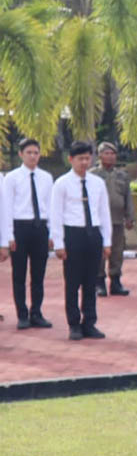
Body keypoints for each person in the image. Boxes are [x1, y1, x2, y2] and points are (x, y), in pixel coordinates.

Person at [50, 141, 111, 340]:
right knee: (73, 282)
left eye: (87, 158)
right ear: (71, 160)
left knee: (90, 281)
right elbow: (56, 214)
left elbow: (104, 212)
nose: (84, 162)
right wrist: (59, 243)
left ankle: (90, 322)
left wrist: (107, 241)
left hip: (93, 234)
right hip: (72, 234)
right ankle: (74, 324)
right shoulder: (62, 183)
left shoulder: (97, 183)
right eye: (80, 159)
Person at [3, 138, 54, 329]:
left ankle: (36, 312)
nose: (33, 156)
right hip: (20, 227)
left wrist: (52, 233)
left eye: (36, 152)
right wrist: (9, 235)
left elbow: (51, 206)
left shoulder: (46, 177)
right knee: (19, 274)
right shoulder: (12, 178)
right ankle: (22, 314)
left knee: (38, 274)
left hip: (40, 228)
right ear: (20, 154)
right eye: (29, 152)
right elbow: (6, 208)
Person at [90, 142, 134, 297]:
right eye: (106, 153)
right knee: (99, 252)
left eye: (113, 154)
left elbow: (128, 197)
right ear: (100, 155)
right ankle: (99, 282)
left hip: (116, 220)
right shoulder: (92, 175)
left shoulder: (122, 175)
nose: (110, 156)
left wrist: (130, 217)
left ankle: (115, 281)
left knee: (117, 251)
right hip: (98, 222)